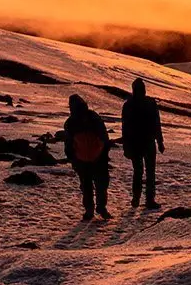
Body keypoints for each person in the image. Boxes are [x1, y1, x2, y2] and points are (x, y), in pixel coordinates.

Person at [62, 94, 112, 220]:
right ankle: (99, 208)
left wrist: (72, 158)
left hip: (83, 158)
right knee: (99, 184)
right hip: (95, 157)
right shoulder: (92, 117)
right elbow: (104, 136)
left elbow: (68, 143)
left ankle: (90, 210)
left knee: (87, 185)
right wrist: (104, 151)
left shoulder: (71, 122)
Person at [121, 78, 166, 209]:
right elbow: (156, 124)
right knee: (149, 172)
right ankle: (148, 200)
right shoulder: (149, 103)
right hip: (146, 143)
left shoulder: (129, 105)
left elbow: (125, 127)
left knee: (139, 172)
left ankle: (137, 199)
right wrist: (160, 141)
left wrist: (126, 145)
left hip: (137, 144)